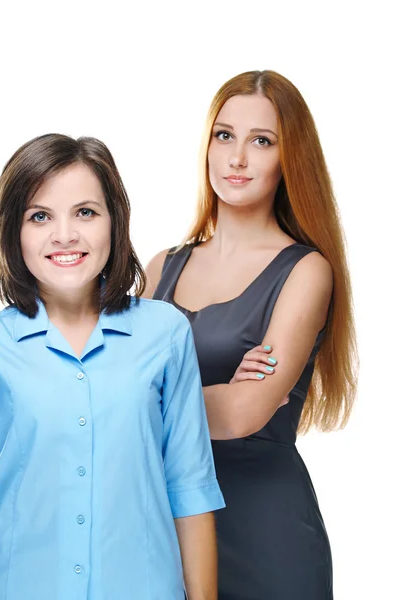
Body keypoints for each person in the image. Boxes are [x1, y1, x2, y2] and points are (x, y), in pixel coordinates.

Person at [0, 134, 225, 600]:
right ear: (12, 231)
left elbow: (190, 488)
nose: (64, 235)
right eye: (40, 216)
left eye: (85, 212)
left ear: (115, 221)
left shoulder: (165, 332)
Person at [145, 70, 358, 599]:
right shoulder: (159, 268)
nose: (237, 157)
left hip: (267, 533)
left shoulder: (306, 271)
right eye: (225, 135)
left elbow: (246, 413)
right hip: (165, 525)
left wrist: (153, 401)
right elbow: (113, 390)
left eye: (261, 141)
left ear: (290, 160)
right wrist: (220, 398)